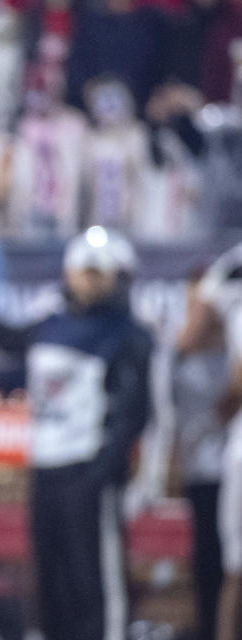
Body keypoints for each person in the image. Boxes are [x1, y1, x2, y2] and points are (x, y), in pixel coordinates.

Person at [0, 225, 153, 640]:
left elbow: (131, 416)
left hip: (88, 472)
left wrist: (101, 474)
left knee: (93, 584)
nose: (88, 279)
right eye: (84, 270)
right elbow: (6, 337)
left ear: (119, 278)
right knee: (51, 582)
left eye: (99, 272)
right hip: (46, 470)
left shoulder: (128, 337)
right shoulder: (50, 325)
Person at [179, 243, 242, 640]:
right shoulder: (228, 290)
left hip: (230, 452)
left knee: (233, 570)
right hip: (213, 463)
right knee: (225, 567)